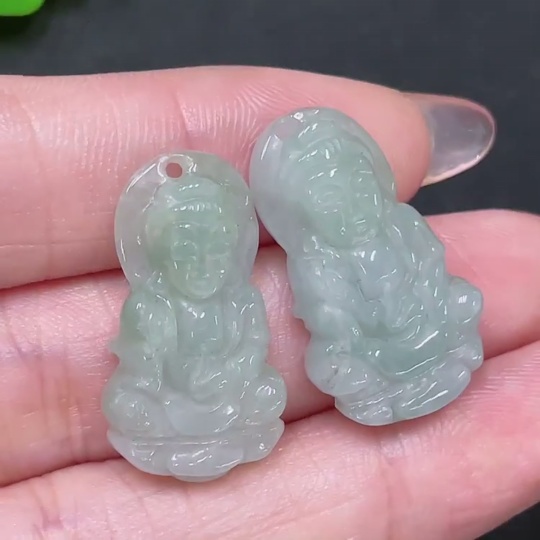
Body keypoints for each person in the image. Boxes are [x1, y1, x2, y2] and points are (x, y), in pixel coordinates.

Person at [0, 65, 536, 540]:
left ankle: (418, 366)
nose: (203, 264)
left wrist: (418, 309)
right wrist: (201, 384)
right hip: (185, 408)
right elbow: (151, 371)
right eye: (185, 251)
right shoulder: (159, 306)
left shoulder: (402, 230)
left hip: (416, 334)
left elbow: (257, 348)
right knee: (159, 402)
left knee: (460, 301)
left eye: (357, 190)